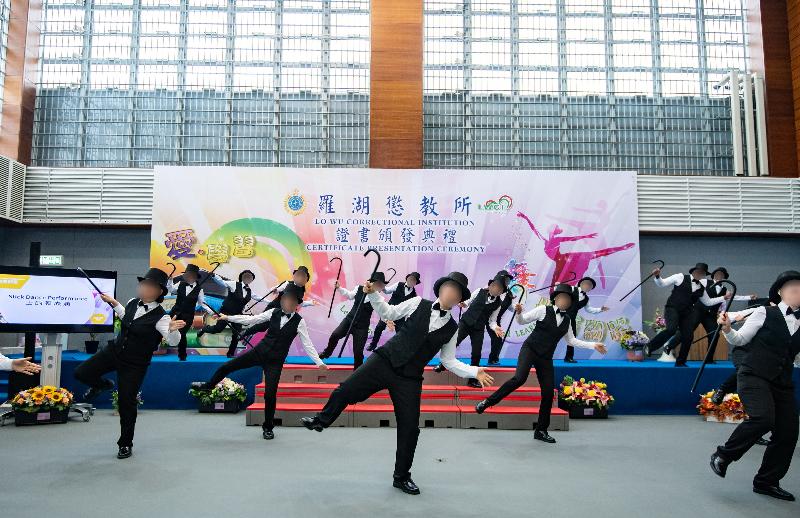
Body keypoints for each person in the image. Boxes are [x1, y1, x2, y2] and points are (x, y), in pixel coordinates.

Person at [300, 272, 494, 495]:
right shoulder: (417, 303)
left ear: (460, 298)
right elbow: (389, 312)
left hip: (409, 378)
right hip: (385, 360)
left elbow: (448, 360)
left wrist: (473, 371)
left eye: (457, 291)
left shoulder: (452, 328)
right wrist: (373, 295)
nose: (451, 293)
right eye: (449, 287)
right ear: (441, 289)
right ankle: (321, 420)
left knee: (410, 429)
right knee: (347, 390)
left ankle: (401, 477)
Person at [190, 283, 326, 440]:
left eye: (291, 300)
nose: (287, 302)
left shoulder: (299, 321)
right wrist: (228, 317)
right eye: (285, 299)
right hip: (259, 352)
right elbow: (251, 319)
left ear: (296, 304)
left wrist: (319, 362)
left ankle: (268, 427)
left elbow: (307, 343)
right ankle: (208, 386)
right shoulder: (273, 312)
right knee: (227, 366)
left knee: (270, 395)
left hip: (275, 362)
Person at [475, 283, 608, 444]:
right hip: (530, 349)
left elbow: (571, 340)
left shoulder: (567, 320)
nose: (563, 301)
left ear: (570, 302)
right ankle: (488, 402)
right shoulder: (543, 310)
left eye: (567, 299)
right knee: (519, 379)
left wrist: (593, 345)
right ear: (555, 299)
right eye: (560, 298)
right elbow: (523, 321)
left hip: (545, 357)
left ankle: (541, 430)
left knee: (547, 393)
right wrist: (518, 312)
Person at [74, 268, 185, 459]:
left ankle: (125, 443)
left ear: (159, 292)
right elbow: (127, 316)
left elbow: (173, 340)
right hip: (114, 352)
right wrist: (115, 303)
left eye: (149, 286)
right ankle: (103, 384)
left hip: (135, 363)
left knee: (127, 403)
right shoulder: (133, 302)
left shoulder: (162, 317)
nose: (143, 288)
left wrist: (174, 330)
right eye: (142, 284)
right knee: (81, 372)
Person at [710, 270, 800, 501]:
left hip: (782, 382)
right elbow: (740, 340)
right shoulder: (763, 312)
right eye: (793, 288)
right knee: (763, 418)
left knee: (788, 433)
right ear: (780, 292)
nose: (797, 292)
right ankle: (723, 455)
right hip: (754, 375)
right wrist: (728, 329)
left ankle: (766, 482)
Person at [659, 267, 756, 364]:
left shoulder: (725, 290)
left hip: (710, 315)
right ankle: (669, 346)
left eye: (722, 275)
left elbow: (735, 297)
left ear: (724, 278)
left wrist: (749, 297)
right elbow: (693, 283)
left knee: (714, 334)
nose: (719, 276)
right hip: (697, 311)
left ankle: (708, 359)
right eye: (717, 274)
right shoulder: (705, 282)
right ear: (713, 275)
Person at [433, 271, 511, 387]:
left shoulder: (498, 303)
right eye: (494, 285)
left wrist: (495, 328)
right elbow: (467, 302)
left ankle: (472, 380)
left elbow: (492, 320)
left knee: (476, 353)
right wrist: (463, 304)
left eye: (499, 288)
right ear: (490, 285)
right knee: (453, 343)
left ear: (501, 292)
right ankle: (443, 364)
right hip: (466, 322)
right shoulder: (479, 291)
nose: (495, 289)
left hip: (479, 328)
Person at [644, 262, 730, 367]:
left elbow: (708, 302)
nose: (699, 274)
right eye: (698, 271)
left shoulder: (701, 287)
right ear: (693, 271)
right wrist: (657, 276)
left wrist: (723, 298)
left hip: (687, 313)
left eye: (702, 273)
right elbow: (662, 283)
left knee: (688, 337)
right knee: (671, 329)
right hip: (673, 308)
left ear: (704, 275)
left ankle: (680, 362)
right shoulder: (680, 277)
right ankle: (650, 346)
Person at [319, 272, 387, 369]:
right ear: (371, 282)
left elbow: (383, 311)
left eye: (379, 284)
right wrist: (339, 288)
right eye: (375, 283)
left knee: (358, 352)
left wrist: (387, 320)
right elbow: (350, 295)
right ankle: (327, 353)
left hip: (362, 327)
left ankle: (357, 373)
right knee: (335, 335)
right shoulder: (359, 288)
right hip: (349, 320)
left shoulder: (379, 298)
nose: (377, 285)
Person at [238, 266, 316, 342]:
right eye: (299, 275)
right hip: (274, 307)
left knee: (272, 328)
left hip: (283, 312)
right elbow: (275, 289)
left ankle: (251, 336)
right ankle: (245, 333)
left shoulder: (302, 291)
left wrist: (310, 303)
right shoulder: (287, 283)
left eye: (302, 276)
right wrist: (276, 290)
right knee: (263, 325)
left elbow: (299, 303)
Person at [197, 269, 260, 357]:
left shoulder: (249, 291)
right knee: (217, 329)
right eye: (246, 276)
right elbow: (222, 282)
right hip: (225, 312)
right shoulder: (234, 284)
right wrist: (214, 275)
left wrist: (272, 302)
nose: (248, 278)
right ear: (242, 277)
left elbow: (258, 298)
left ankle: (230, 353)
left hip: (237, 315)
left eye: (250, 277)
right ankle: (204, 329)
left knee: (237, 334)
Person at [167, 264, 212, 361]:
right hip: (175, 312)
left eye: (192, 275)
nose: (189, 277)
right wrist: (170, 280)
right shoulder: (180, 284)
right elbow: (170, 289)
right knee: (164, 328)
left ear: (196, 277)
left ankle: (182, 356)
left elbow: (202, 303)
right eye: (188, 275)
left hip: (187, 316)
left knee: (182, 334)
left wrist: (212, 312)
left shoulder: (199, 290)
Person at [367, 272, 421, 351]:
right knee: (379, 327)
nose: (411, 281)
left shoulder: (414, 295)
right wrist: (383, 286)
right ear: (407, 278)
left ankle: (399, 349)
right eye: (410, 279)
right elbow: (387, 291)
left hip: (400, 316)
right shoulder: (398, 284)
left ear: (416, 283)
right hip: (388, 312)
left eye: (413, 280)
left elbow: (410, 309)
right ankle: (373, 345)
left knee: (400, 333)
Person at [563, 276, 609, 363]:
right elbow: (560, 292)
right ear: (581, 283)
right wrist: (557, 286)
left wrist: (600, 309)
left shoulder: (586, 299)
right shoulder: (572, 289)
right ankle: (539, 357)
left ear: (591, 289)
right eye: (586, 283)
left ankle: (568, 357)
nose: (588, 286)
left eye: (590, 286)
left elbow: (589, 309)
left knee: (572, 339)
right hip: (559, 316)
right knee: (550, 337)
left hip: (571, 319)